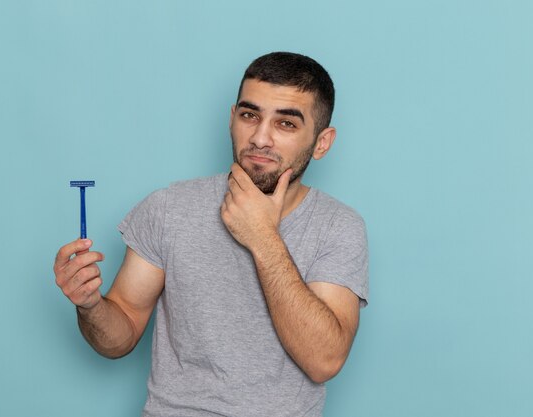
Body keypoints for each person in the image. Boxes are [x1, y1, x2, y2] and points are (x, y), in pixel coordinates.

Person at [54, 52, 368, 417]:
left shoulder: (338, 226)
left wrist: (263, 237)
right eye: (250, 116)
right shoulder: (169, 208)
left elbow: (324, 360)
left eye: (286, 124)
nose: (260, 138)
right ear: (232, 118)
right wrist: (90, 305)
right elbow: (118, 337)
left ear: (322, 142)